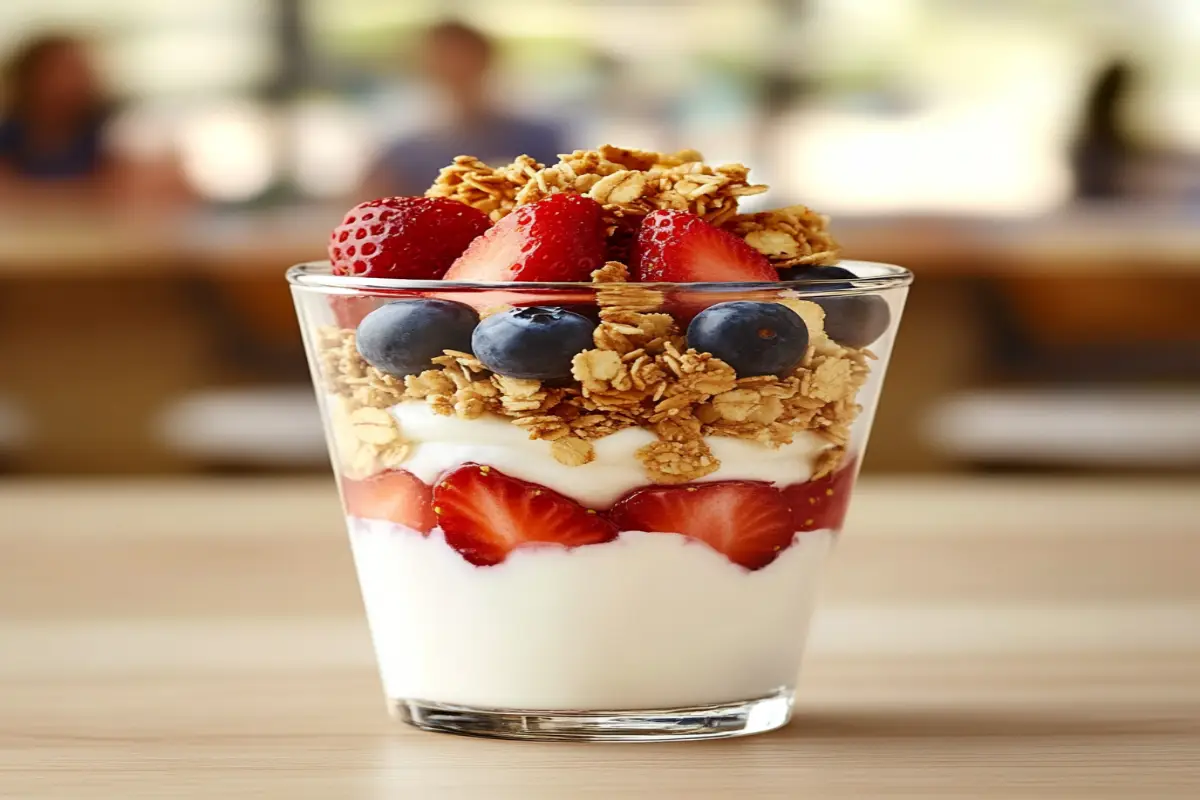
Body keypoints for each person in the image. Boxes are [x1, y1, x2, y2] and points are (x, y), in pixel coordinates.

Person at [365, 20, 564, 197]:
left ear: (486, 61)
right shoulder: (400, 155)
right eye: (444, 59)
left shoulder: (539, 139)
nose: (455, 67)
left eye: (463, 57)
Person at [0, 33, 187, 209]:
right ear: (28, 79)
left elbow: (168, 184)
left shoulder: (115, 131)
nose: (70, 85)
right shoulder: (10, 134)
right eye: (58, 74)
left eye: (78, 73)